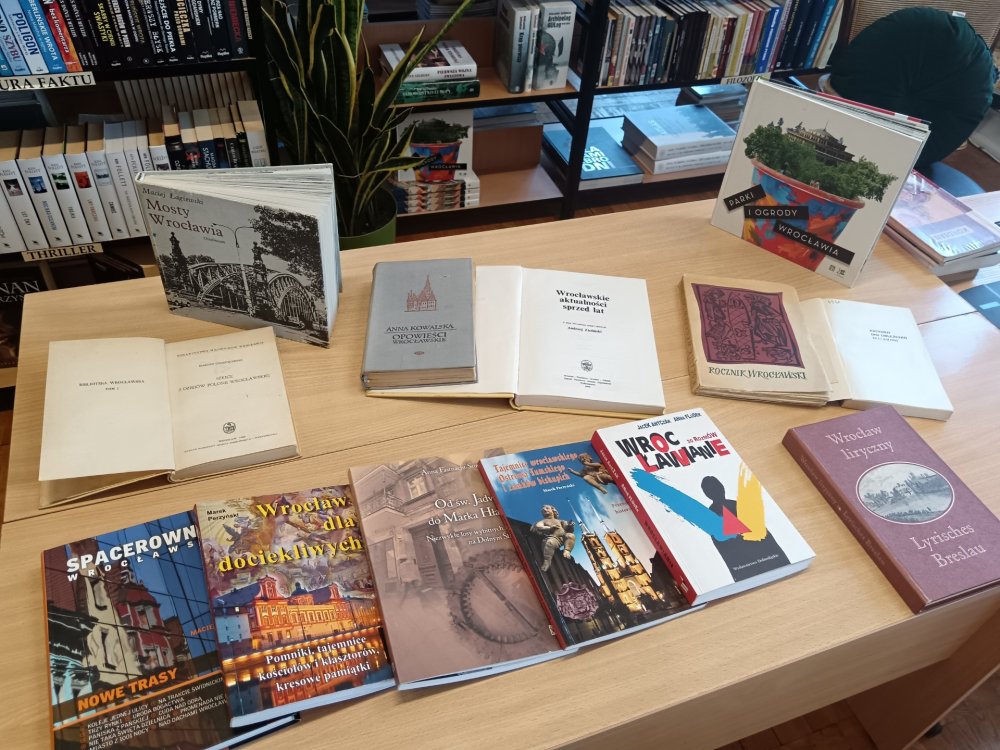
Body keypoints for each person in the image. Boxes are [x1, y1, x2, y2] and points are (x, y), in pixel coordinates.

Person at [530, 504, 575, 573]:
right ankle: (547, 561)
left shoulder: (560, 521)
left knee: (571, 535)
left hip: (563, 538)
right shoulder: (543, 521)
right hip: (554, 538)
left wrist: (570, 526)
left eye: (547, 508)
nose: (544, 510)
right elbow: (539, 526)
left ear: (553, 511)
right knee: (549, 543)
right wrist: (549, 528)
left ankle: (567, 550)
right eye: (543, 510)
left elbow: (569, 529)